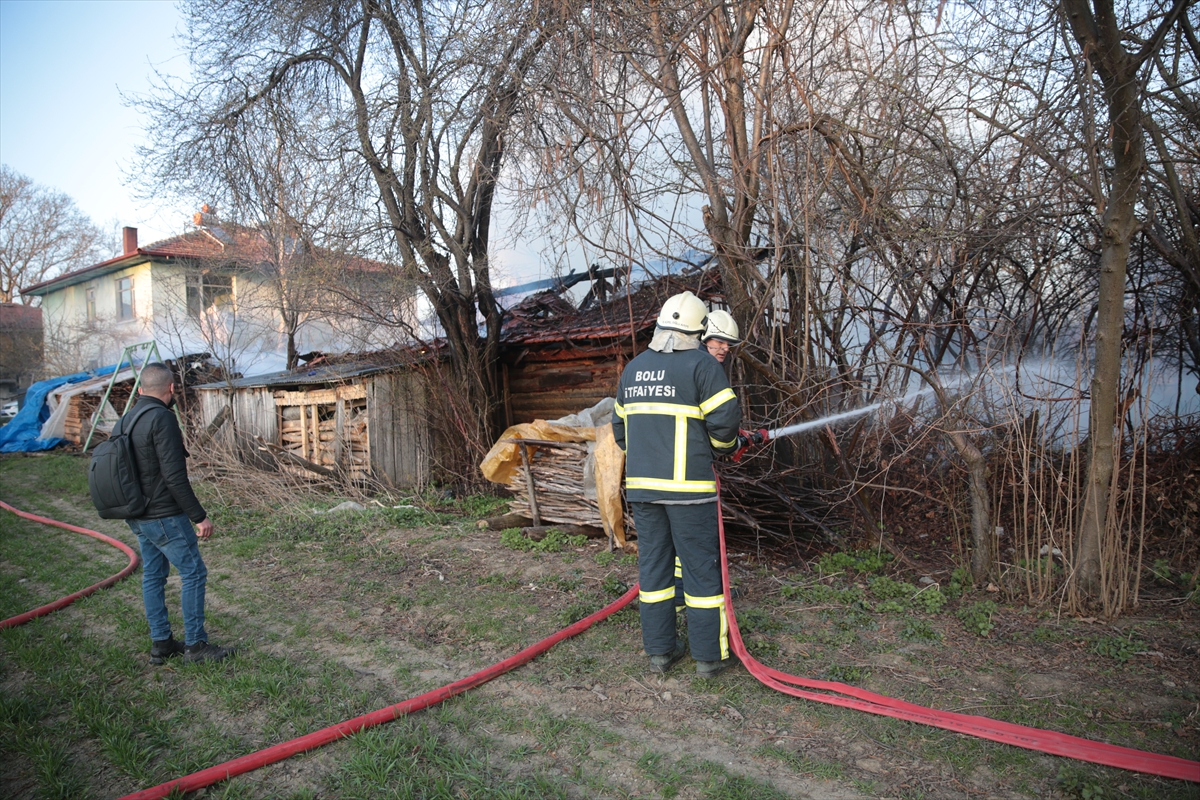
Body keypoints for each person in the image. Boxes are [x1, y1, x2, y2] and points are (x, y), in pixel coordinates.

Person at [612, 291, 741, 677]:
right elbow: (724, 422)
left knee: (654, 571)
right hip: (690, 493)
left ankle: (660, 653)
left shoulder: (633, 369)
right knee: (701, 571)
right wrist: (723, 448)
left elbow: (621, 428)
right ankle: (707, 658)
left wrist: (649, 454)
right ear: (699, 330)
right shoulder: (701, 366)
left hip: (643, 493)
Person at [122, 362, 231, 665]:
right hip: (163, 515)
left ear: (141, 390)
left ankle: (162, 644)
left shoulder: (128, 419)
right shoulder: (162, 419)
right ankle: (196, 646)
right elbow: (174, 477)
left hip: (138, 515)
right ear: (171, 388)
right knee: (194, 572)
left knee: (154, 575)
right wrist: (199, 516)